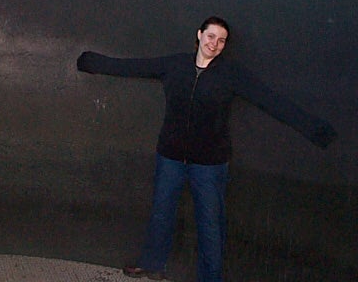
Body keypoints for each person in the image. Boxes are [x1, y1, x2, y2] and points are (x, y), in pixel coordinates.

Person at [76, 16, 337, 282]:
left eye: (221, 41)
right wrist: (90, 62)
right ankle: (152, 264)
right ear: (199, 35)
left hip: (209, 164)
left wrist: (316, 129)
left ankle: (210, 278)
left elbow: (270, 100)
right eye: (211, 36)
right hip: (171, 157)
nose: (215, 44)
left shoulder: (231, 74)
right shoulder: (175, 65)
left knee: (210, 225)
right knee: (161, 213)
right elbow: (132, 67)